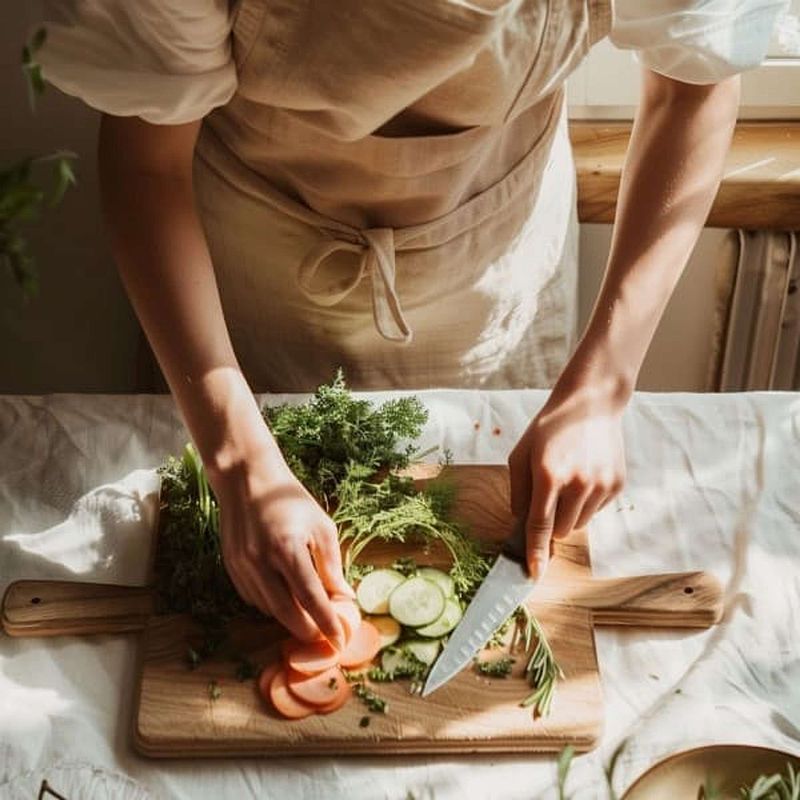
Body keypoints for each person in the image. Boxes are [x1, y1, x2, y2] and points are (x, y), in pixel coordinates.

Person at [39, 0, 786, 650]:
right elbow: (147, 163)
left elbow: (697, 87)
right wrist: (240, 464)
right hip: (245, 283)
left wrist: (602, 388)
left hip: (497, 267)